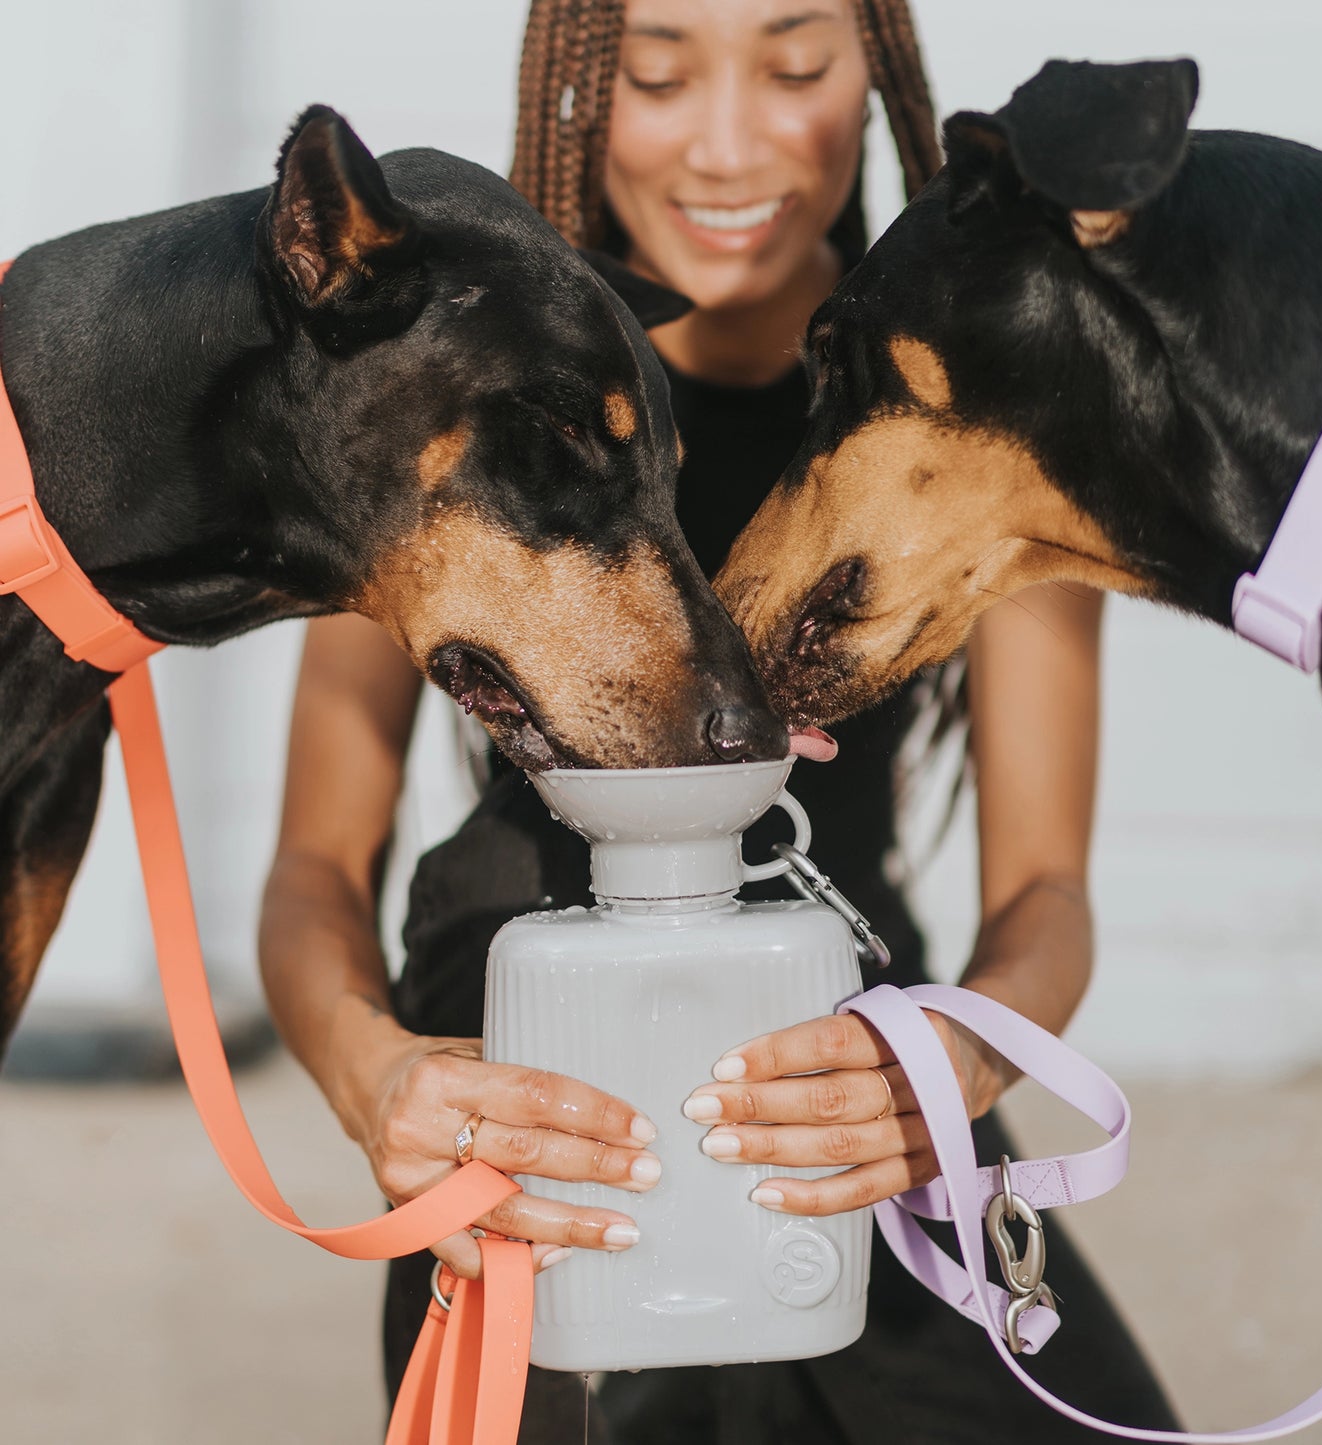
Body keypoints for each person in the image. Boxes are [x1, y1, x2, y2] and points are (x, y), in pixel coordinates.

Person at [259, 2, 1180, 1440]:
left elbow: (1046, 895)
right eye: (660, 74)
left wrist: (953, 1065)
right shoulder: (437, 383)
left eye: (796, 66)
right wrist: (376, 1077)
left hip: (856, 1105)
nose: (730, 141)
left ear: (870, 75)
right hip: (542, 1151)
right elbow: (314, 872)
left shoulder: (983, 403)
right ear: (580, 90)